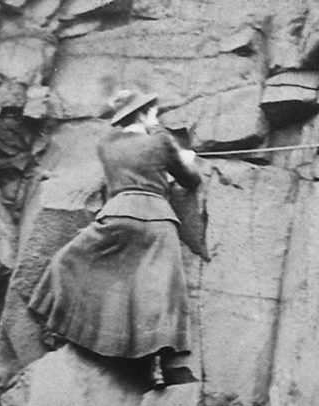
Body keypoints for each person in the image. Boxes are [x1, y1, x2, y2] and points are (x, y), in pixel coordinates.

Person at [28, 89, 201, 389]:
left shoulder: (106, 146)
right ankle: (158, 366)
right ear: (144, 114)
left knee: (68, 260)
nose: (156, 118)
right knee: (158, 291)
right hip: (158, 221)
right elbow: (189, 180)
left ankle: (57, 325)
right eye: (153, 113)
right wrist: (188, 159)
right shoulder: (160, 141)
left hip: (118, 215)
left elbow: (130, 166)